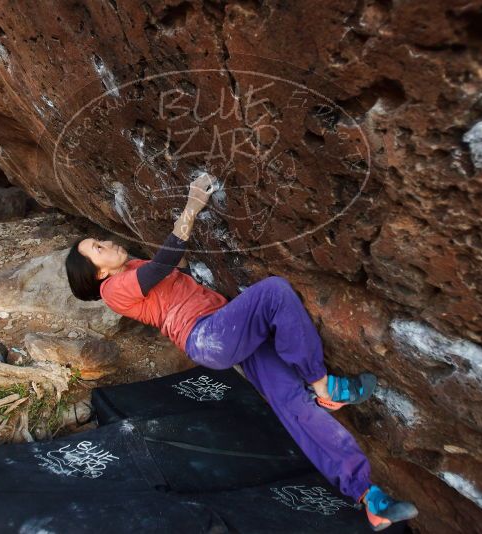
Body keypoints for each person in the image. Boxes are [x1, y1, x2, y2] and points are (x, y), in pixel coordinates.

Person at [65, 173, 418, 531]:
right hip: (208, 335)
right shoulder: (113, 290)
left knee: (294, 406)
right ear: (97, 274)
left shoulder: (131, 268)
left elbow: (173, 272)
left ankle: (368, 498)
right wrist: (192, 204)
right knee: (274, 293)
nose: (105, 243)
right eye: (97, 248)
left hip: (225, 328)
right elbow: (166, 263)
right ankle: (326, 385)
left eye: (99, 241)